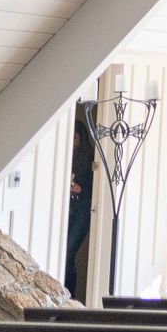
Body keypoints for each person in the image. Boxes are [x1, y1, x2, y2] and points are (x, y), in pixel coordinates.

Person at [65, 119, 94, 294]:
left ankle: (70, 295)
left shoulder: (89, 159)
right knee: (63, 255)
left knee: (68, 253)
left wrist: (80, 189)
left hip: (82, 212)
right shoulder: (66, 157)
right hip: (68, 210)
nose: (73, 143)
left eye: (75, 138)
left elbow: (93, 190)